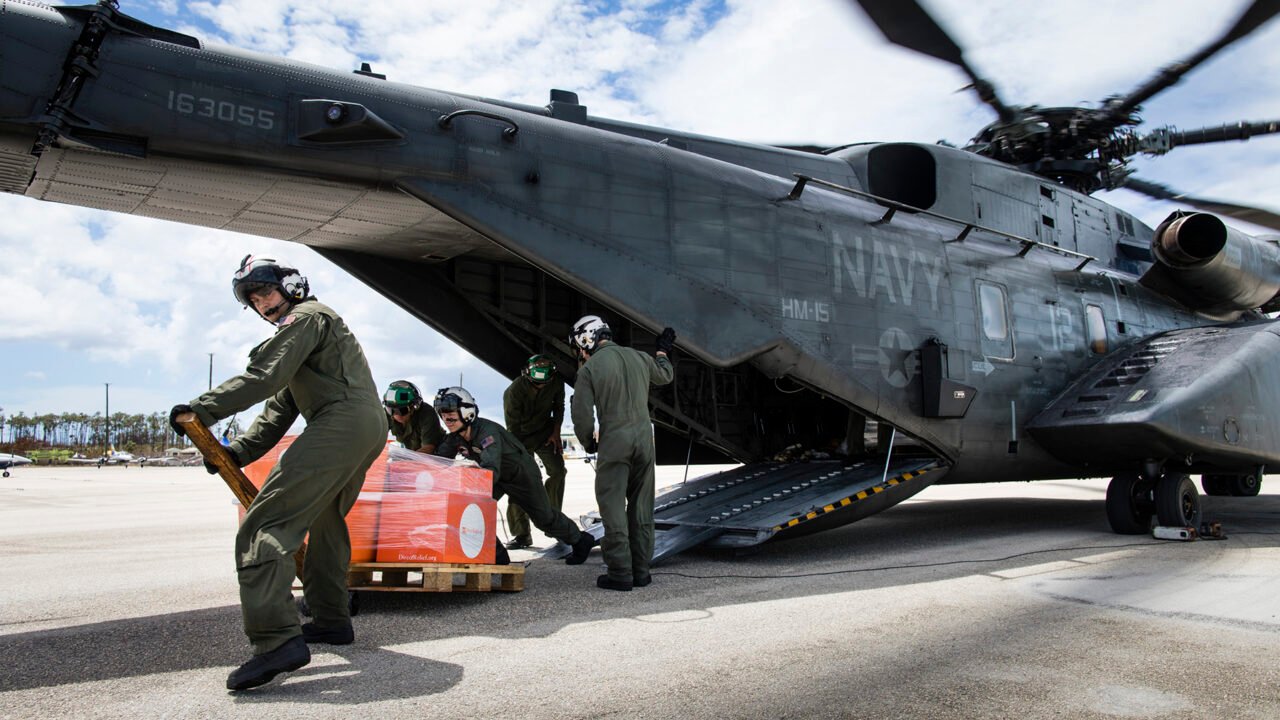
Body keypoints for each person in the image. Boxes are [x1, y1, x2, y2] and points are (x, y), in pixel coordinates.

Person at [169, 255, 385, 691]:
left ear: (291, 286)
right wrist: (236, 452)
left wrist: (203, 409)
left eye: (265, 292)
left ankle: (276, 641)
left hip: (341, 421)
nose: (262, 305)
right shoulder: (310, 338)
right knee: (325, 522)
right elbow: (279, 408)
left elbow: (263, 376)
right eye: (253, 300)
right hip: (363, 425)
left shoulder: (306, 318)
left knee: (264, 525)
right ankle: (330, 621)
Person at [431, 386, 596, 565]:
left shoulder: (487, 432)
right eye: (442, 413)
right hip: (497, 477)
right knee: (470, 510)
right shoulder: (455, 437)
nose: (446, 418)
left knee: (544, 518)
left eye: (450, 412)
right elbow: (435, 462)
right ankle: (497, 557)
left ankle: (580, 540)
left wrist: (463, 480)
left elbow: (490, 470)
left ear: (466, 411)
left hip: (520, 475)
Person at [569, 316, 675, 591]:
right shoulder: (639, 357)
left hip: (615, 443)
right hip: (644, 441)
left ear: (585, 339)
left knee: (613, 507)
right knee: (642, 507)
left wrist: (588, 442)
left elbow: (582, 416)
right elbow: (665, 375)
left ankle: (620, 573)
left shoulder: (589, 369)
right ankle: (641, 571)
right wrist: (662, 352)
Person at [501, 355, 567, 549]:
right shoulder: (513, 391)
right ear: (527, 375)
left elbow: (559, 408)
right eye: (537, 384)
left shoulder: (556, 382)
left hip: (545, 433)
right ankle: (521, 535)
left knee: (558, 472)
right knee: (519, 481)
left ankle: (552, 520)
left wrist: (556, 432)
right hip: (519, 436)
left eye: (544, 384)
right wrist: (521, 459)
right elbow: (512, 427)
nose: (541, 387)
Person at [384, 380, 444, 453]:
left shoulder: (426, 413)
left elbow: (428, 448)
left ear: (414, 407)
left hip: (437, 454)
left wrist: (407, 462)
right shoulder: (386, 415)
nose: (395, 414)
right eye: (390, 410)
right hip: (413, 454)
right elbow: (373, 437)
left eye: (402, 410)